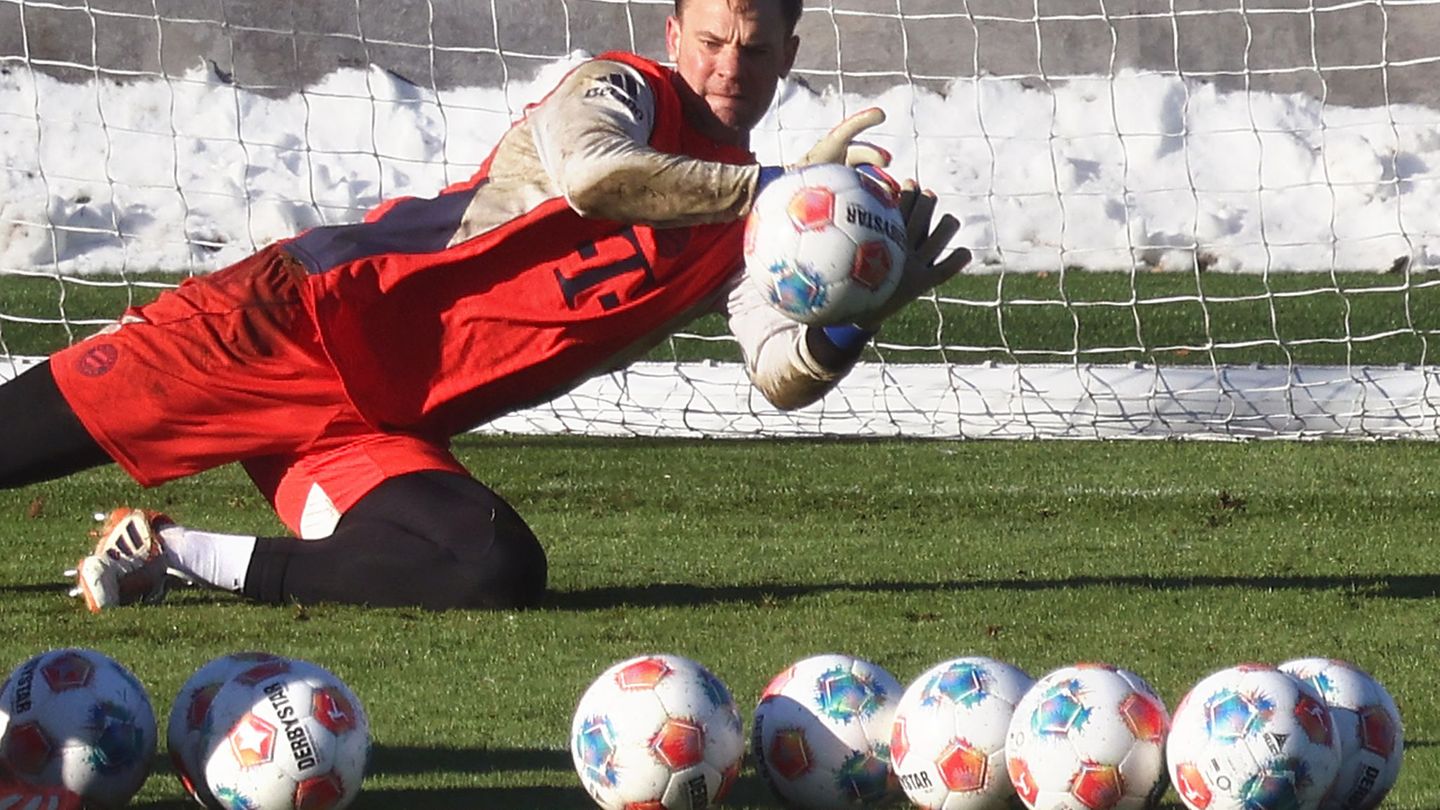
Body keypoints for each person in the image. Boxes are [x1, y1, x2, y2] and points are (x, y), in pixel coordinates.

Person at [0, 0, 970, 611]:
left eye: (754, 53)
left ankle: (170, 555)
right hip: (282, 326)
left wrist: (857, 308)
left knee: (491, 569)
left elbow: (779, 373)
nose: (728, 70)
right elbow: (599, 178)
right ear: (674, 34)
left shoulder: (755, 228)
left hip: (366, 432)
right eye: (712, 41)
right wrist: (769, 183)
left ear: (787, 53)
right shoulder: (620, 89)